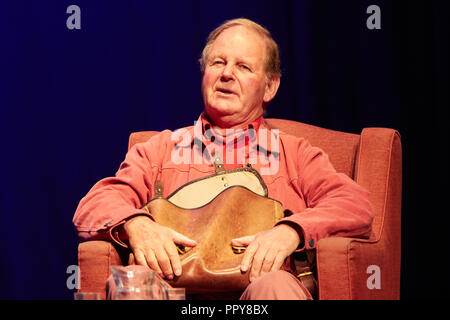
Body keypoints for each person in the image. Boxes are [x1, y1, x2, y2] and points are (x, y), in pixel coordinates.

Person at [73, 18, 374, 300]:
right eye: (218, 62)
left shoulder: (294, 152)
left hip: (261, 287)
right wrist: (137, 224)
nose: (227, 73)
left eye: (243, 66)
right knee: (134, 283)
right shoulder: (160, 149)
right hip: (173, 286)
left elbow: (355, 205)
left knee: (277, 286)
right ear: (204, 74)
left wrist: (291, 230)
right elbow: (95, 204)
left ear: (270, 86)